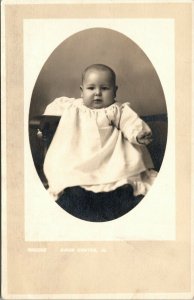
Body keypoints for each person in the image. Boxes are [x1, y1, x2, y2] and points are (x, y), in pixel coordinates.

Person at [43, 64, 157, 221]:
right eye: (91, 88)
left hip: (111, 158)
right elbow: (51, 111)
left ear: (115, 91)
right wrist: (46, 123)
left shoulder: (117, 110)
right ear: (81, 91)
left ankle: (119, 192)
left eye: (104, 88)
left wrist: (138, 133)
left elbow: (130, 122)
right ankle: (78, 194)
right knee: (70, 181)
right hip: (79, 157)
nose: (97, 93)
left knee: (123, 180)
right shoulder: (71, 107)